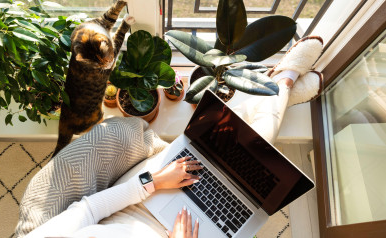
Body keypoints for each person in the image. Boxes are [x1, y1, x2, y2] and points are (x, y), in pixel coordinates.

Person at [19, 36, 324, 238]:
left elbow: (89, 210)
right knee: (252, 160)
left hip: (136, 207)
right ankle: (281, 85)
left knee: (228, 145)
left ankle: (282, 85)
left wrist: (153, 182)